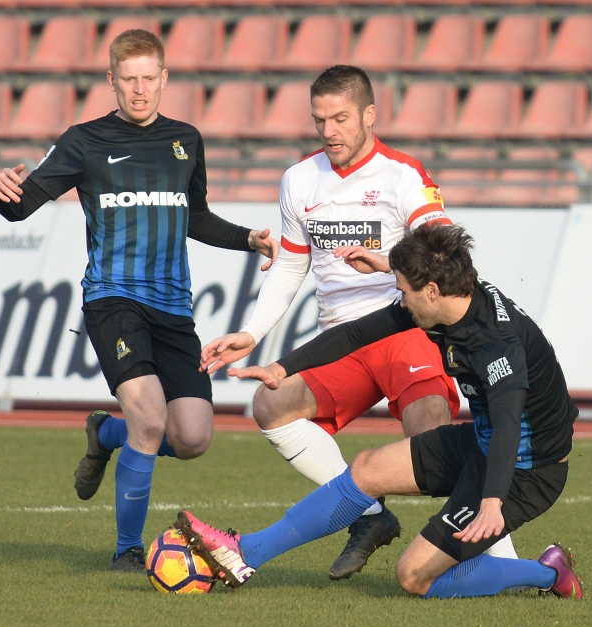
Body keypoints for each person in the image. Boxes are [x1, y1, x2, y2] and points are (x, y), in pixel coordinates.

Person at [195, 64, 517, 579]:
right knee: (271, 403)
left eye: (340, 118)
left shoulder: (403, 176)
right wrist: (252, 333)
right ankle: (368, 516)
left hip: (402, 330)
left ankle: (494, 556)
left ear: (370, 114)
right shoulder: (300, 179)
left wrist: (390, 263)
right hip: (340, 338)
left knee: (430, 432)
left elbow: (444, 254)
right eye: (320, 120)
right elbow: (293, 264)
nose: (329, 131)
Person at [0, 29, 278, 572]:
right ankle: (126, 549)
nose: (140, 90)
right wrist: (2, 192)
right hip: (113, 300)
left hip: (173, 308)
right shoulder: (84, 140)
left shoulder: (186, 140)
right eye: (129, 80)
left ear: (165, 79)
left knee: (192, 436)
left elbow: (193, 216)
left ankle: (106, 432)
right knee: (150, 418)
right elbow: (22, 205)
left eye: (149, 79)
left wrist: (248, 239)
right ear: (112, 82)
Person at [175, 224, 582, 599]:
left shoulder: (498, 343)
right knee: (368, 468)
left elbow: (510, 422)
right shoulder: (451, 298)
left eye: (404, 290)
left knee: (414, 577)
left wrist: (492, 501)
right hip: (484, 442)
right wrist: (281, 368)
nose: (401, 300)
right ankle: (246, 551)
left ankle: (550, 574)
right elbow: (355, 333)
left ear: (432, 291)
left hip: (525, 472)